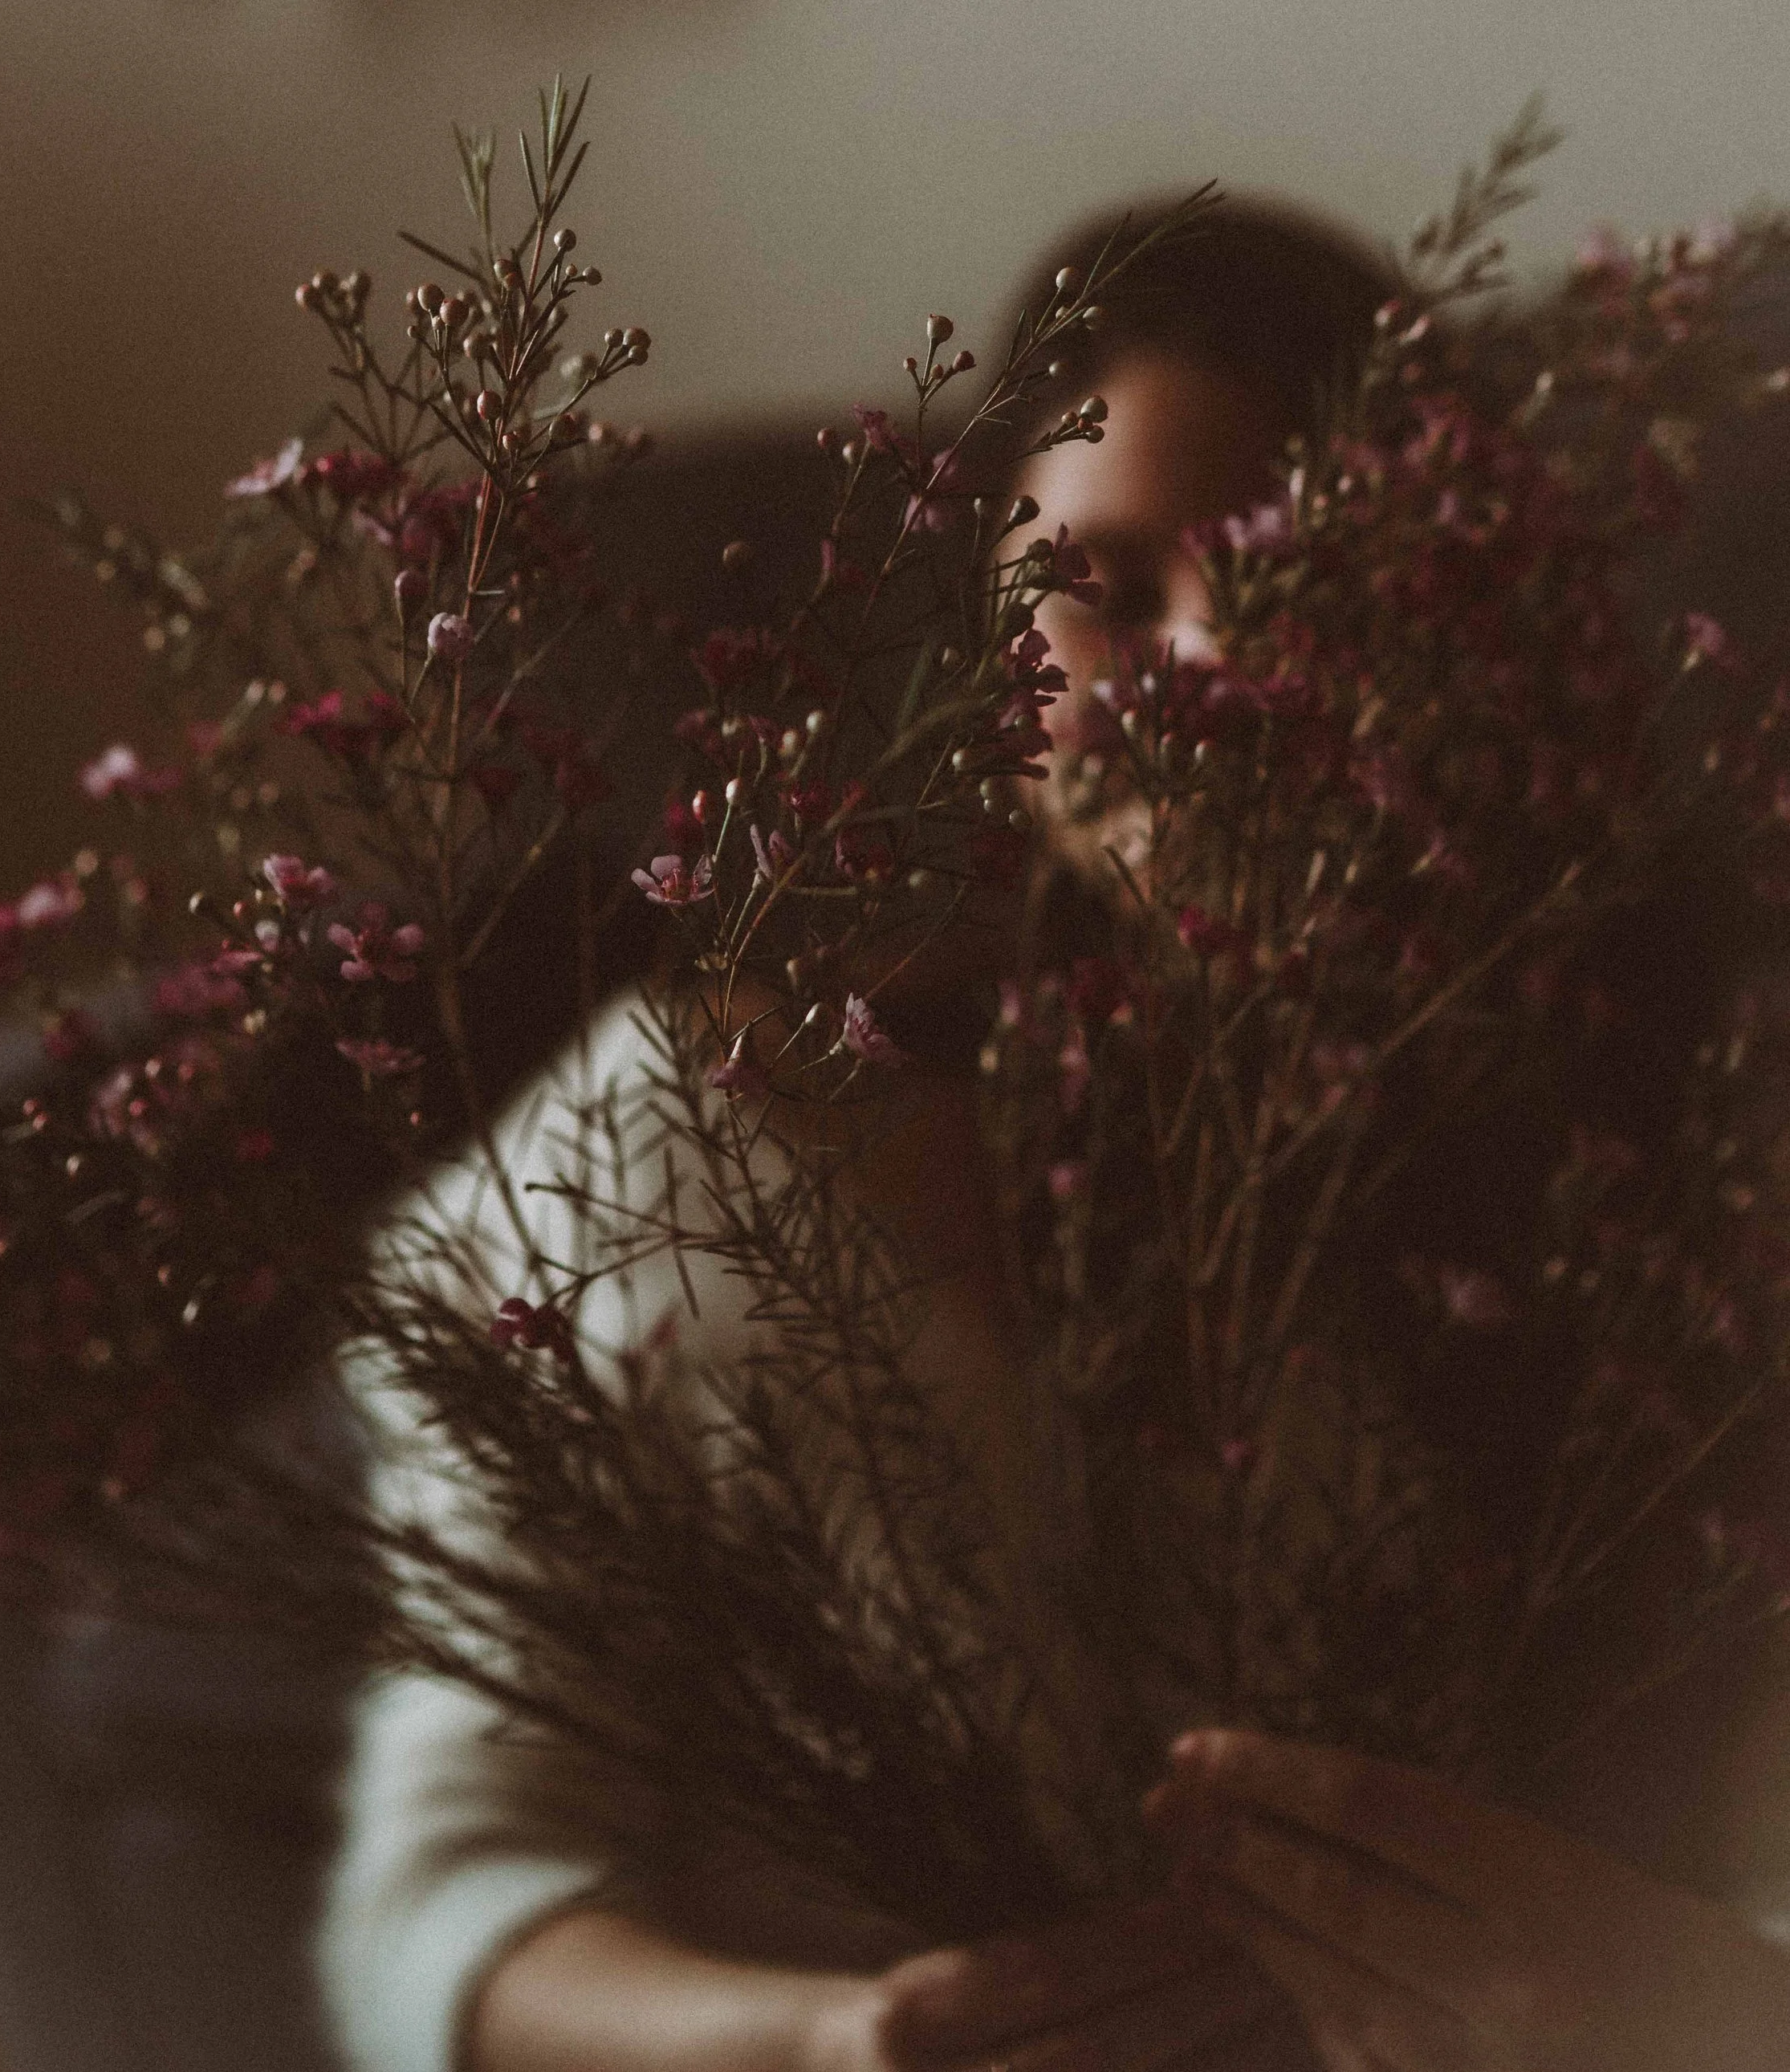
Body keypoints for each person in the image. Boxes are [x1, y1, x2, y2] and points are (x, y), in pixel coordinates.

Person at [319, 198, 1790, 2072]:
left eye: (1308, 585)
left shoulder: (1598, 1208)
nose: (1212, 667)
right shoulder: (680, 1146)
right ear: (985, 659)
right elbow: (439, 1915)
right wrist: (842, 2047)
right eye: (1106, 584)